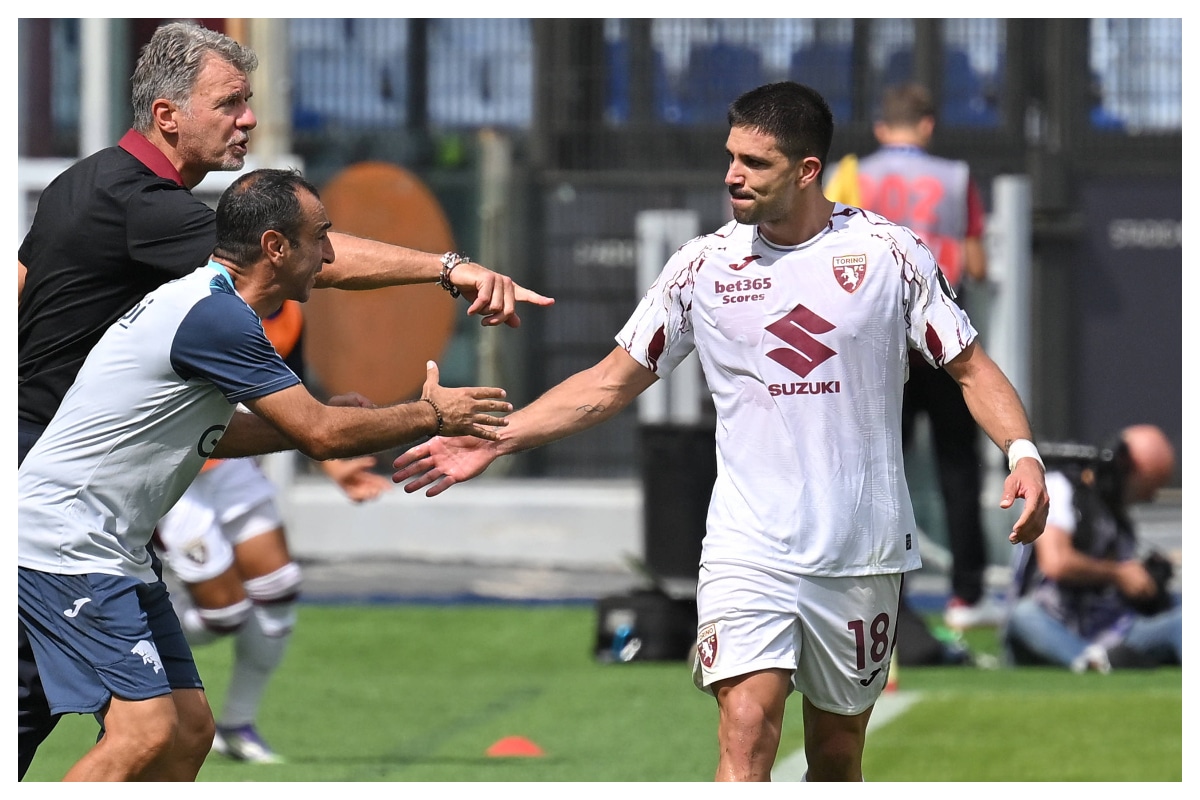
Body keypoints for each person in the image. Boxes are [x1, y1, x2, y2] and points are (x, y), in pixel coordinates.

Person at [392, 81, 1050, 782]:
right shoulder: (703, 265)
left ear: (806, 170)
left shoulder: (891, 254)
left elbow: (973, 369)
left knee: (835, 757)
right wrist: (498, 436)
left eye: (755, 163)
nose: (732, 175)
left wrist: (1024, 453)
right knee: (745, 732)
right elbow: (610, 381)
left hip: (861, 552)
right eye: (730, 156)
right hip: (749, 545)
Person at [16, 20, 551, 781]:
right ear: (168, 115)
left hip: (92, 480)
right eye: (230, 103)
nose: (249, 120)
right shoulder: (157, 225)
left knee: (166, 727)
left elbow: (23, 294)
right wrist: (448, 269)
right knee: (137, 730)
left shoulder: (85, 182)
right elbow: (304, 262)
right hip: (61, 493)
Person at [153, 299, 393, 765]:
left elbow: (296, 403)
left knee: (279, 587)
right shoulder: (200, 298)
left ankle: (238, 726)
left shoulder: (292, 315)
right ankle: (121, 636)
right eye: (316, 243)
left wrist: (336, 466)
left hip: (230, 465)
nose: (323, 262)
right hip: (175, 471)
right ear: (274, 246)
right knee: (225, 615)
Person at [829, 82, 998, 632]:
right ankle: (966, 596)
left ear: (881, 129)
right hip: (943, 339)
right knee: (958, 469)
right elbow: (974, 263)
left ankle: (882, 598)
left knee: (877, 472)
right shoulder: (956, 177)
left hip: (878, 346)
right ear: (928, 126)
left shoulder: (854, 174)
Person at [1003, 424, 1181, 673]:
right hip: (1051, 624)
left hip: (1110, 630)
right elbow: (1056, 562)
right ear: (1130, 470)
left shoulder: (1120, 521)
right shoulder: (1059, 488)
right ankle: (1093, 661)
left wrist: (1146, 583)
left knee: (1183, 619)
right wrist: (1119, 574)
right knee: (1023, 614)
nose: (1149, 498)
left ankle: (1097, 660)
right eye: (1148, 486)